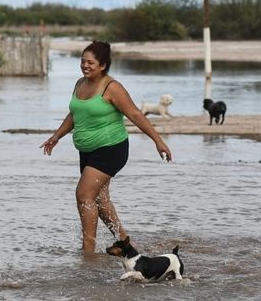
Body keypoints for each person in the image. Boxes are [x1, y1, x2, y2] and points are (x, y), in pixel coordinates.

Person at [40, 40, 172, 254]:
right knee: (100, 200)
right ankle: (124, 242)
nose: (85, 65)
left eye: (90, 62)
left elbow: (136, 114)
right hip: (87, 151)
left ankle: (88, 249)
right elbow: (75, 114)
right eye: (82, 61)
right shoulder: (80, 84)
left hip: (111, 149)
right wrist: (56, 136)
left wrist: (158, 141)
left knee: (84, 195)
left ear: (103, 65)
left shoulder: (112, 87)